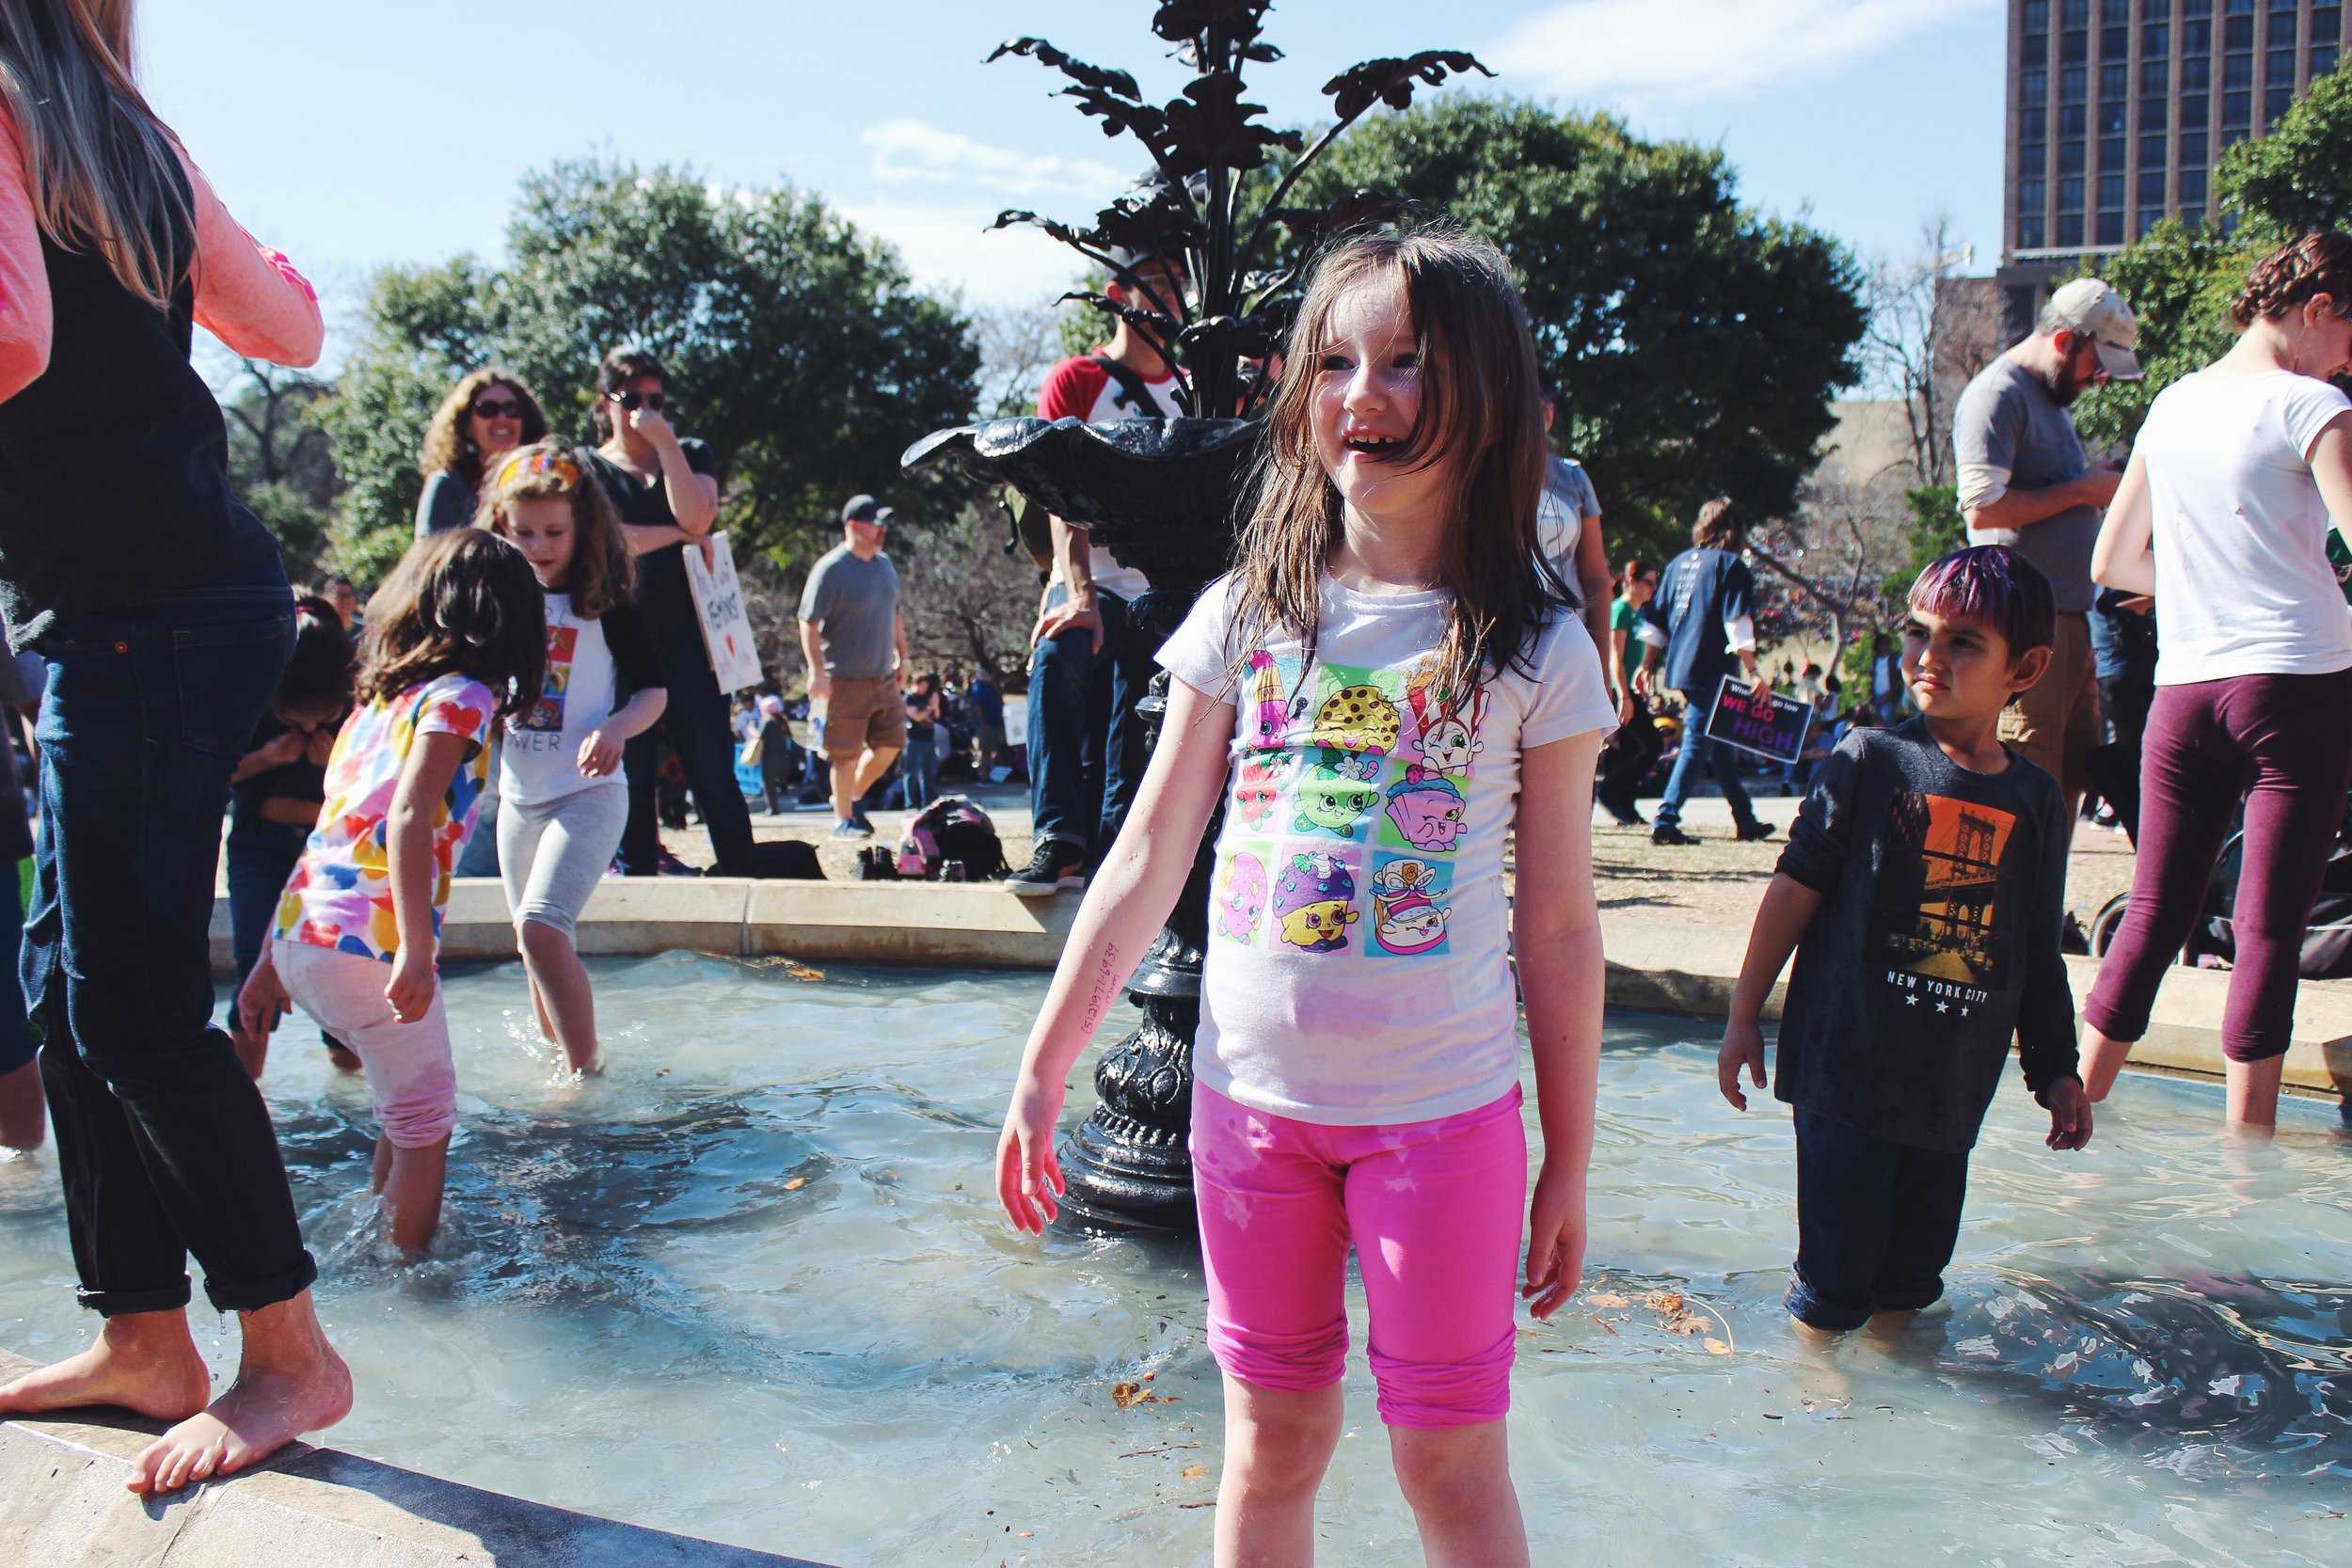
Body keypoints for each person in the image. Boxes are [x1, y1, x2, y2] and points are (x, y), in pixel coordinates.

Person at [996, 229, 1614, 1568]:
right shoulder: (1247, 611)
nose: (1363, 394)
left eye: (1407, 363)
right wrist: (1049, 1062)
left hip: (1439, 1121)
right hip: (1250, 1113)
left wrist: (1568, 1154)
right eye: (1334, 361)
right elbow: (1148, 851)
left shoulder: (1535, 647)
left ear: (1489, 396)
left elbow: (1558, 924)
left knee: (1447, 1462)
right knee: (1270, 1449)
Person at [0, 2, 353, 1494]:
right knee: (61, 978)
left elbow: (14, 331)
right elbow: (289, 324)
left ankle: (290, 1352)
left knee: (134, 1008)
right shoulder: (124, 136)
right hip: (170, 600)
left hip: (152, 614)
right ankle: (144, 1334)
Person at [1717, 546, 2090, 1338]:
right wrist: (1743, 1012)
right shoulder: (1868, 760)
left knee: (1910, 1291)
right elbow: (1793, 890)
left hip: (1948, 1097)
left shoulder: (2037, 802)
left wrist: (2056, 1067)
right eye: (1920, 633)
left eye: (1964, 642)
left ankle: (1894, 1435)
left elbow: (2032, 946)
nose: (1930, 657)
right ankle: (1816, 1427)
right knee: (1830, 1292)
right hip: (1842, 1079)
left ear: (2024, 667)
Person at [2079, 231, 2352, 1130]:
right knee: (2270, 927)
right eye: (2350, 333)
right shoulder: (2313, 404)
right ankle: (2248, 1164)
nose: (2350, 358)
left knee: (2156, 908)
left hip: (2185, 691)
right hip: (2295, 685)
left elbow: (2113, 559)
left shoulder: (2172, 404)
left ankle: (2071, 1104)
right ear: (2316, 310)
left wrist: (2203, 580)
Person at [240, 531, 546, 1257]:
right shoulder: (462, 697)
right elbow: (407, 815)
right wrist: (416, 948)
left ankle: (378, 1237)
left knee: (402, 1111)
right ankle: (408, 1280)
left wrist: (265, 962)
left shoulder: (373, 706)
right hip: (371, 943)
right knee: (428, 1122)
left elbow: (330, 832)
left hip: (302, 934)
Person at [1008, 242, 1189, 895]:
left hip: (1168, 588)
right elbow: (1055, 489)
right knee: (1060, 656)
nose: (1172, 295)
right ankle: (1058, 838)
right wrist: (1076, 587)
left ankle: (1116, 851)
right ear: (1119, 295)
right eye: (1157, 282)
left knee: (1142, 697)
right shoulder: (1078, 381)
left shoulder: (1195, 384)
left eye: (1179, 282)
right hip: (1090, 577)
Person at [480, 442, 666, 1074]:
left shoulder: (607, 598)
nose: (539, 545)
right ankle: (559, 1066)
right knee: (534, 943)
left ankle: (588, 1076)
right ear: (501, 527)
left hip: (589, 792)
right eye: (523, 532)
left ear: (582, 525)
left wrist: (618, 726)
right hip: (518, 799)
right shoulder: (495, 600)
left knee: (541, 926)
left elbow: (654, 690)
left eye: (554, 531)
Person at [1954, 277, 2141, 827]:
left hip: (2070, 618)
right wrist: (2084, 490)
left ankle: (2041, 910)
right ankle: (2010, 911)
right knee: (2023, 772)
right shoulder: (1997, 394)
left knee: (2069, 776)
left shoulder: (2052, 400)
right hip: (2023, 621)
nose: (2101, 378)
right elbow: (1982, 512)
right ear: (2064, 341)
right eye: (2096, 363)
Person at [583, 346, 753, 878]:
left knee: (713, 772)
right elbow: (608, 542)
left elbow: (699, 516)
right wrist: (679, 536)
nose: (644, 408)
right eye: (631, 398)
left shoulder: (690, 451)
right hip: (618, 645)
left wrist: (664, 443)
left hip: (692, 643)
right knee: (629, 781)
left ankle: (744, 877)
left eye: (655, 398)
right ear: (604, 402)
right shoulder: (586, 467)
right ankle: (638, 883)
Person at [225, 597, 356, 1079]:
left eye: (319, 719)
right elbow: (211, 774)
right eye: (294, 718)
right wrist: (268, 757)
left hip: (330, 848)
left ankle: (351, 1090)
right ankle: (245, 1098)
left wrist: (333, 767)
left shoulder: (356, 702)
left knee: (341, 977)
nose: (305, 728)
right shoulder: (250, 693)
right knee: (251, 974)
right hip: (261, 845)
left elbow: (378, 795)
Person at [1638, 498, 1772, 847]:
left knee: (1721, 743)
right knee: (1698, 740)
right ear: (1735, 530)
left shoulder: (1678, 563)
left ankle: (1746, 819)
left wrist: (1647, 664)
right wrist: (1754, 669)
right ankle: (1666, 818)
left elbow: (1657, 624)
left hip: (1681, 663)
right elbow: (1736, 622)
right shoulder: (1731, 566)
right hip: (1711, 667)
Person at [798, 495, 908, 839]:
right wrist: (817, 672)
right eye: (876, 523)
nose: (882, 530)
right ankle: (842, 820)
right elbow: (808, 622)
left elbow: (895, 615)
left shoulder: (885, 565)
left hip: (884, 676)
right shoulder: (831, 569)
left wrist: (904, 657)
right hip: (842, 678)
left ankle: (850, 795)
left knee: (892, 744)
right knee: (844, 754)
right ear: (854, 526)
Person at [413, 368, 547, 538]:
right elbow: (429, 558)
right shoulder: (448, 486)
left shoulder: (544, 479)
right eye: (487, 410)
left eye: (511, 409)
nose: (502, 418)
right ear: (466, 425)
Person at [1534, 386, 1613, 651]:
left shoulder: (1574, 478)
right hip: (1502, 651)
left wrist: (1602, 673)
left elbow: (1596, 578)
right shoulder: (1477, 476)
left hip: (1568, 648)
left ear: (1547, 414)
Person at [1596, 558, 1662, 825]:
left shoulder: (1637, 614)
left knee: (1630, 749)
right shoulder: (1620, 610)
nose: (1652, 589)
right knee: (1651, 745)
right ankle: (1610, 792)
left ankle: (1624, 806)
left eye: (1655, 583)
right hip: (1617, 690)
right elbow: (1615, 657)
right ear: (1631, 581)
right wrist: (1623, 696)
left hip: (1629, 689)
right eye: (1647, 582)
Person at [902, 671, 944, 811]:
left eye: (926, 687)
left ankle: (929, 803)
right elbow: (917, 717)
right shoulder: (910, 698)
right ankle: (911, 804)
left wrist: (936, 704)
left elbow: (937, 716)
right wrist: (930, 707)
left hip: (929, 740)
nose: (924, 689)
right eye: (922, 686)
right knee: (912, 774)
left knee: (929, 773)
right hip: (914, 740)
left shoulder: (928, 698)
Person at [967, 666, 1008, 776]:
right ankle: (984, 774)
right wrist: (983, 723)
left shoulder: (990, 686)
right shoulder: (978, 686)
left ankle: (996, 774)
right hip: (986, 724)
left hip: (996, 722)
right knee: (986, 750)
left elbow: (1000, 699)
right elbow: (977, 706)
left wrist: (994, 686)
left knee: (997, 748)